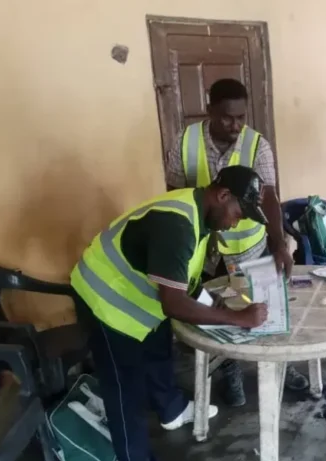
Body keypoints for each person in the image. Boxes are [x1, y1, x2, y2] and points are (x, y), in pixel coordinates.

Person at [71, 166, 270, 461]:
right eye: (238, 214)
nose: (235, 223)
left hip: (134, 294)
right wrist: (238, 318)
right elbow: (173, 304)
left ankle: (171, 409)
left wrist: (208, 300)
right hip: (104, 299)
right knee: (126, 391)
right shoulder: (178, 225)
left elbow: (179, 274)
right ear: (223, 195)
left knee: (159, 347)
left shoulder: (199, 212)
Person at [165, 78, 308, 406]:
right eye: (227, 117)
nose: (235, 125)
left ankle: (279, 366)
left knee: (267, 308)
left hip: (250, 244)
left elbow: (269, 196)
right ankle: (229, 370)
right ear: (209, 109)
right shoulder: (184, 141)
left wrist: (278, 244)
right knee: (218, 307)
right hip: (204, 248)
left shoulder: (257, 145)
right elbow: (176, 192)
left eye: (241, 117)